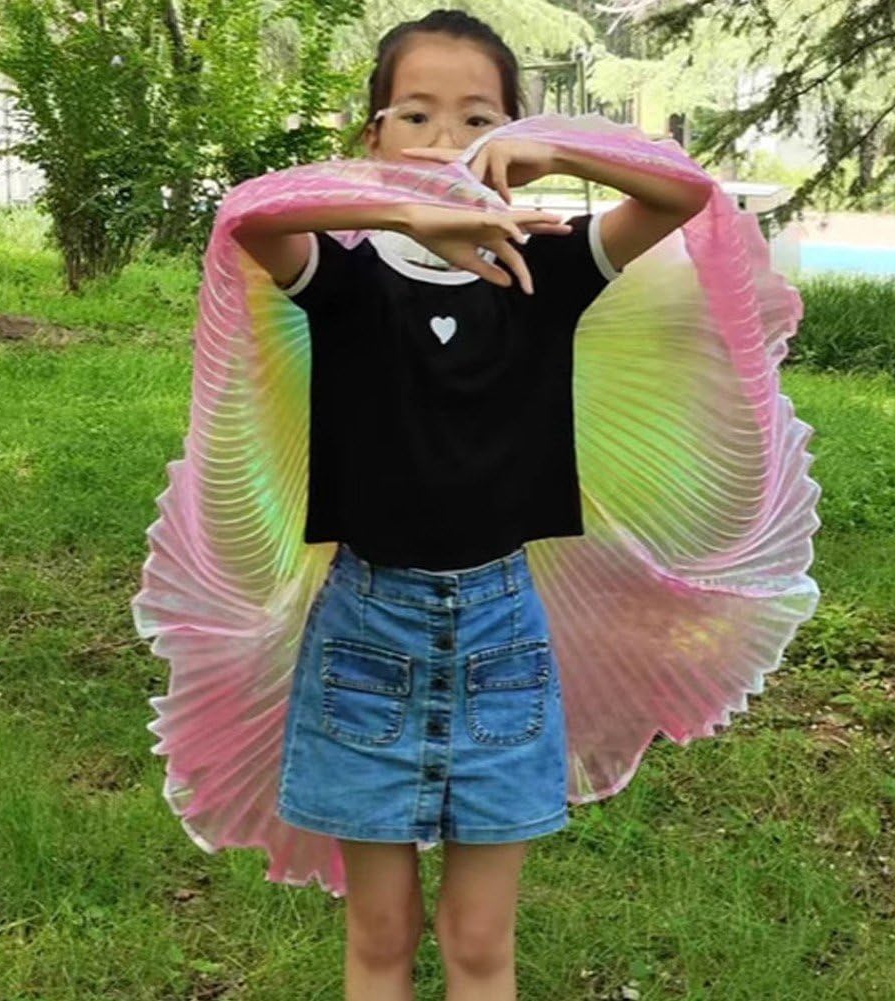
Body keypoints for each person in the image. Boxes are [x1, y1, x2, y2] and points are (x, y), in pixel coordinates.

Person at [231, 10, 709, 1001]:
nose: (444, 139)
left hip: (501, 638)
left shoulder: (550, 270)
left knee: (480, 939)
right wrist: (406, 213)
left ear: (510, 135)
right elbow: (249, 217)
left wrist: (556, 150)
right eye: (414, 115)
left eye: (477, 118)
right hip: (366, 633)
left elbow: (682, 193)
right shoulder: (345, 282)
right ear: (370, 138)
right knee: (380, 931)